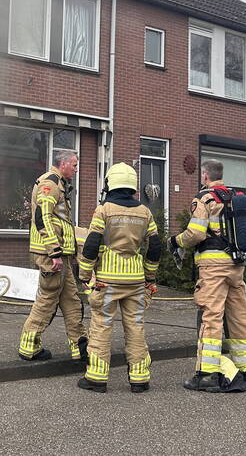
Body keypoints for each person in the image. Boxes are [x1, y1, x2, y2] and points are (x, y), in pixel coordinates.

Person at [170, 159, 246, 393]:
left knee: (211, 317)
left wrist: (177, 241)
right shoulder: (237, 196)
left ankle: (207, 374)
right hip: (237, 265)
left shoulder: (205, 198)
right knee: (239, 317)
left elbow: (196, 233)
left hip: (212, 267)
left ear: (205, 176)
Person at [76, 163, 160, 393]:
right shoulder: (145, 212)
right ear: (132, 184)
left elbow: (92, 243)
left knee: (102, 326)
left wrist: (84, 275)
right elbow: (154, 246)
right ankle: (140, 378)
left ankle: (96, 378)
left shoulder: (104, 210)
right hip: (135, 280)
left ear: (110, 183)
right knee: (135, 327)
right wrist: (150, 277)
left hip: (107, 280)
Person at [18, 151, 87, 362]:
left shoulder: (59, 184)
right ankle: (29, 347)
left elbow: (60, 221)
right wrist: (54, 251)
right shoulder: (50, 184)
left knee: (72, 300)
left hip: (61, 255)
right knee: (47, 300)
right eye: (74, 165)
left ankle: (79, 347)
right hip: (52, 256)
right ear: (63, 164)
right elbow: (42, 217)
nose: (76, 169)